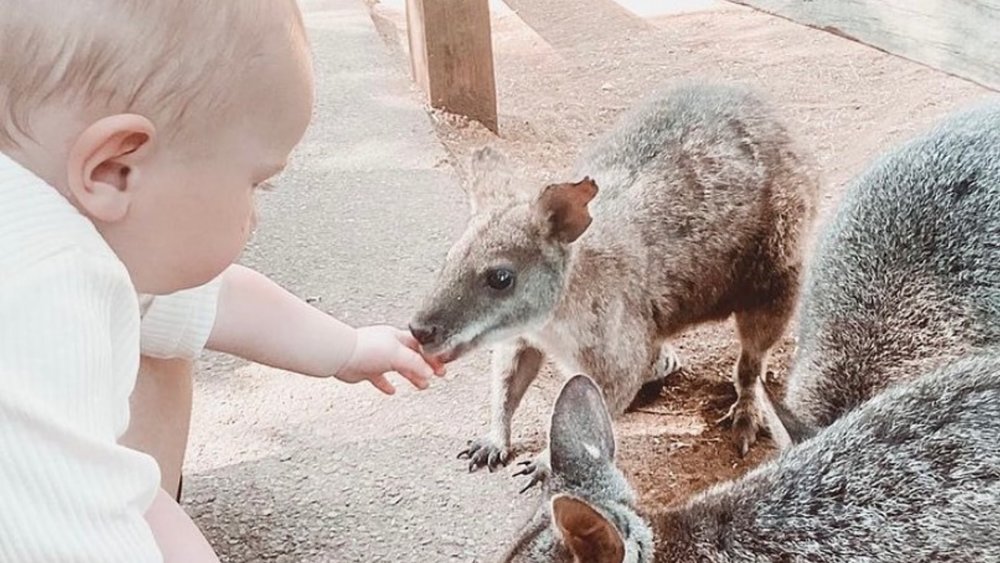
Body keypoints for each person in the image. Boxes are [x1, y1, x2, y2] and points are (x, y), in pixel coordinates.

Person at [0, 1, 442, 560]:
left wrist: (348, 347)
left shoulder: (51, 227)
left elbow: (209, 299)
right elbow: (79, 531)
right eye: (257, 183)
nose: (256, 213)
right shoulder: (40, 302)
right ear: (116, 169)